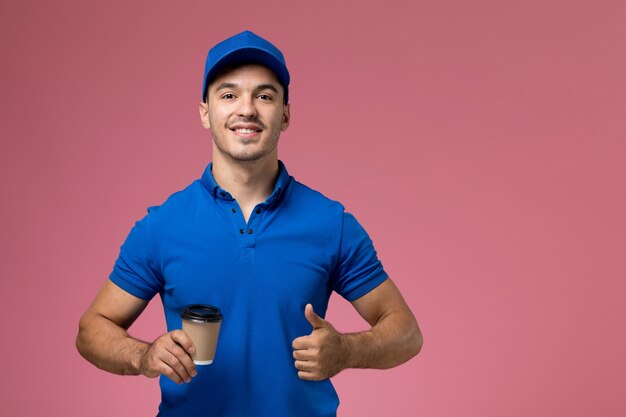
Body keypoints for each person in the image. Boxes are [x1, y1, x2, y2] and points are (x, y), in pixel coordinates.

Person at [76, 30, 423, 417]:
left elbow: (406, 333)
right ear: (205, 112)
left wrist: (348, 351)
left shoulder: (331, 224)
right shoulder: (161, 226)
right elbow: (92, 329)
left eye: (264, 95)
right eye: (228, 95)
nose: (247, 110)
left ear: (285, 114)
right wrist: (143, 356)